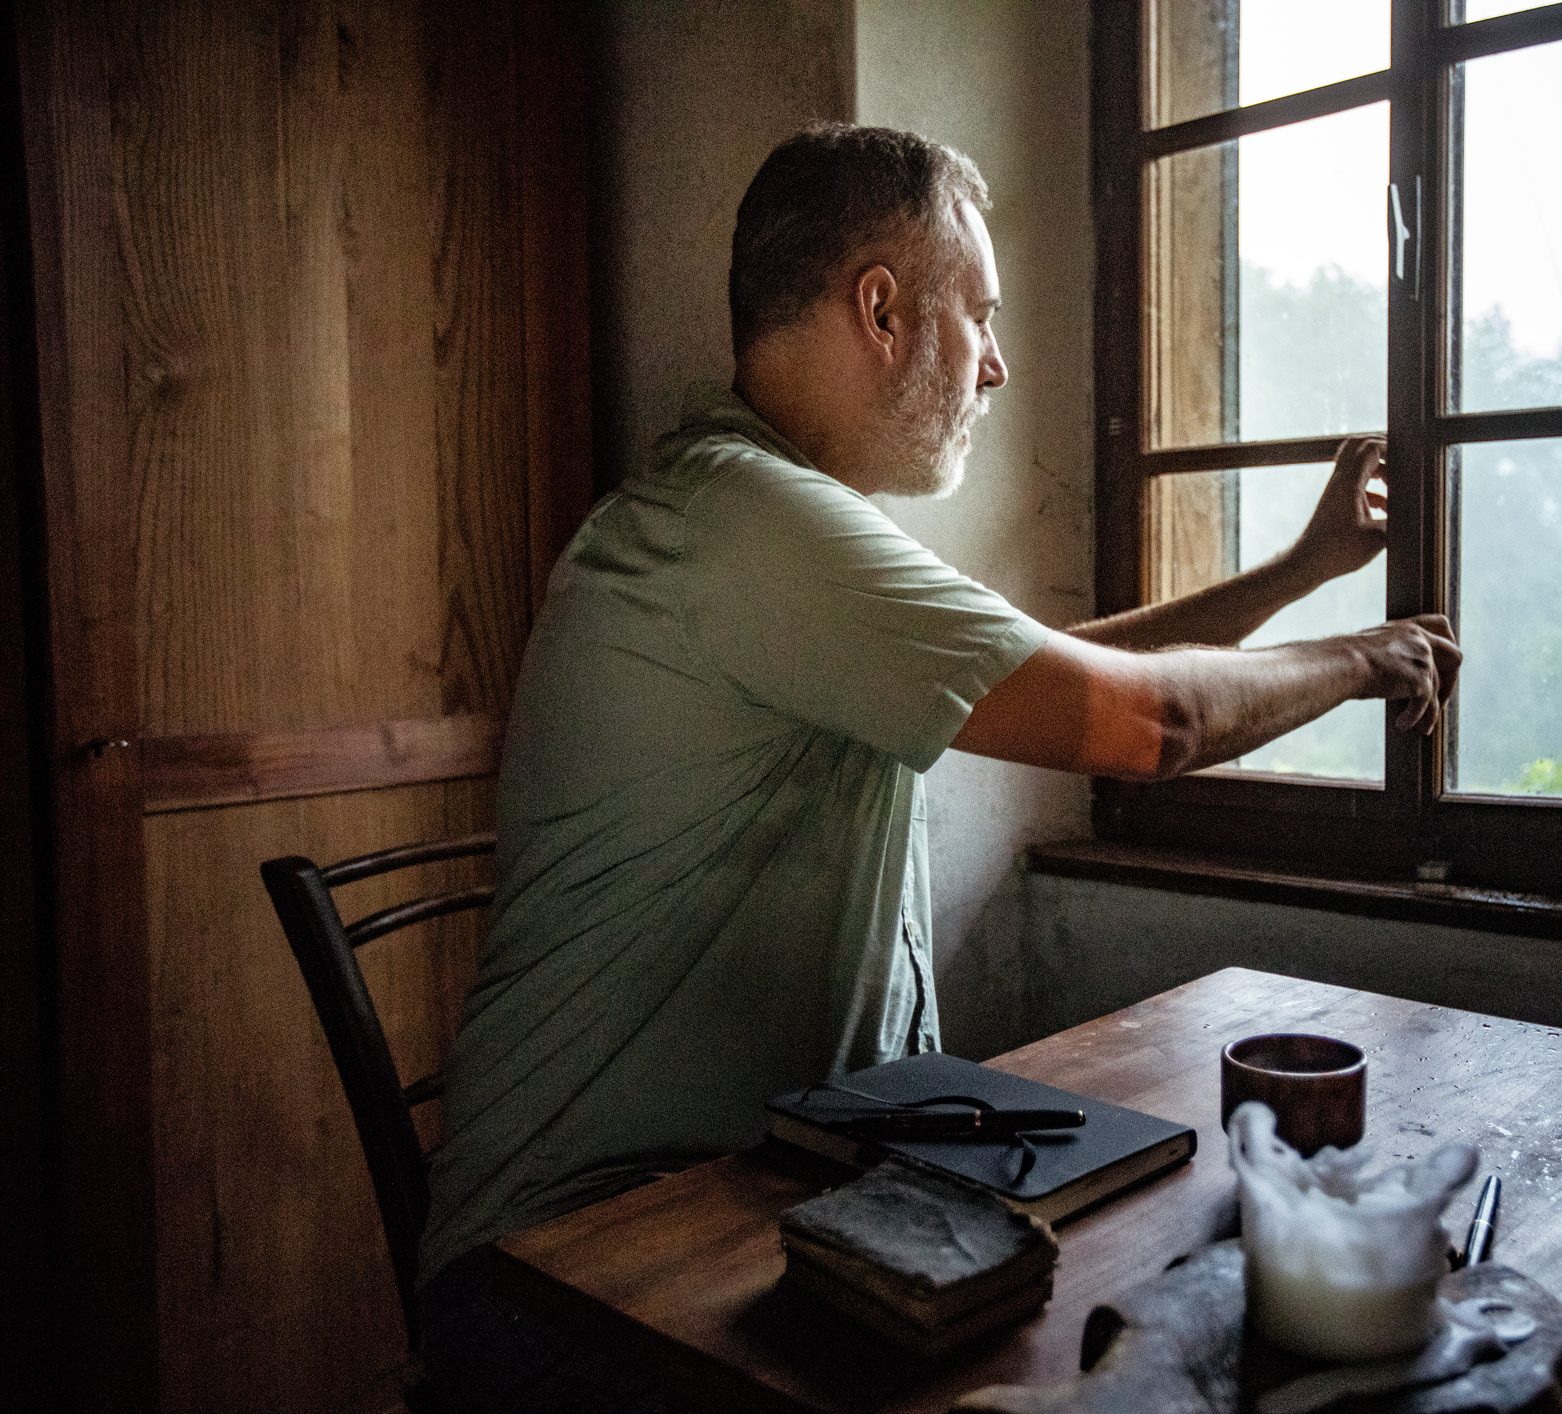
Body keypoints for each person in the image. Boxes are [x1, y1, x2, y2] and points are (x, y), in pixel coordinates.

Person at [415, 122, 1460, 1411]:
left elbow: (1050, 673)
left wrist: (1294, 578)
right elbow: (1144, 727)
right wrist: (1361, 658)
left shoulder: (770, 514)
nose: (1001, 365)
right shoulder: (743, 523)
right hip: (565, 1266)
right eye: (983, 317)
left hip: (769, 1191)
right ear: (882, 310)